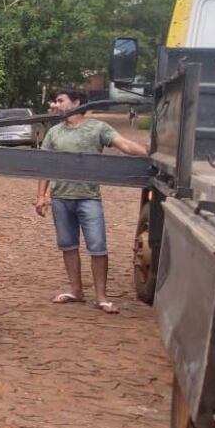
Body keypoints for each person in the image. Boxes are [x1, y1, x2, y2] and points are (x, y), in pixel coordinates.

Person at [35, 90, 147, 314]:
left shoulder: (97, 128)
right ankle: (76, 291)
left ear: (77, 102)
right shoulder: (54, 132)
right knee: (68, 246)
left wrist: (149, 154)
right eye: (56, 100)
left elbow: (123, 145)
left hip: (88, 198)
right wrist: (41, 195)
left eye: (60, 100)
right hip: (61, 199)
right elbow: (44, 165)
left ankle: (101, 297)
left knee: (97, 247)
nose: (56, 104)